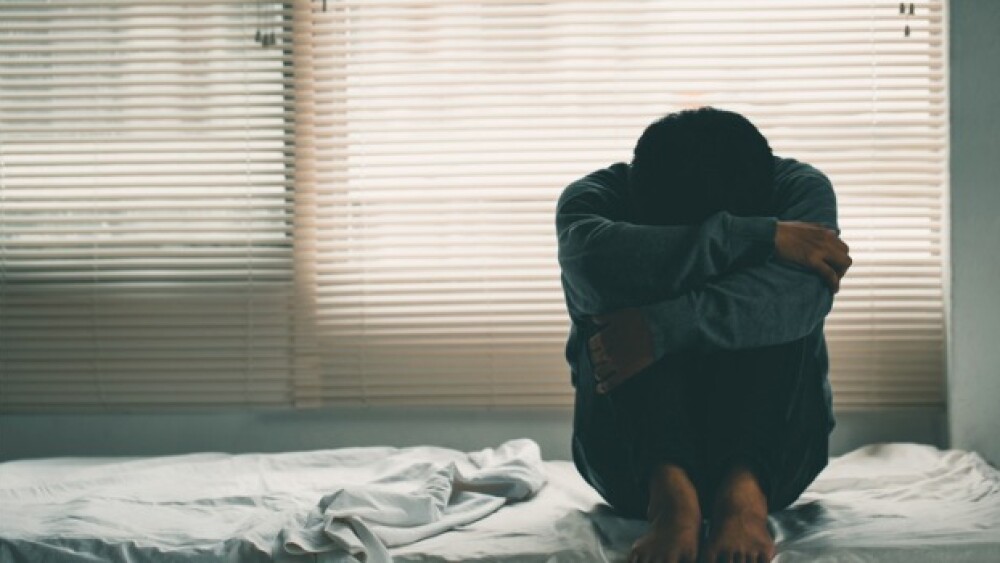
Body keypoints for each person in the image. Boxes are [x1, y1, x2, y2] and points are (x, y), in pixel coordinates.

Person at [556, 107, 852, 563]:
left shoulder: (798, 189)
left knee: (775, 304)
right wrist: (755, 237)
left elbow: (801, 299)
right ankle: (671, 499)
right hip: (629, 467)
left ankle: (743, 498)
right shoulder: (594, 200)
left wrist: (659, 328)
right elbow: (594, 263)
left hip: (777, 460)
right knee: (617, 293)